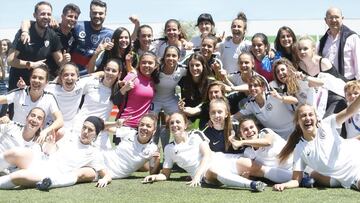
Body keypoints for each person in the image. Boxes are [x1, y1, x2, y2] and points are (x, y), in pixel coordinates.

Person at [142, 112, 266, 192]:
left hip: (220, 159)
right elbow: (166, 174)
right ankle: (252, 185)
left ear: (185, 125)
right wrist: (154, 176)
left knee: (251, 164)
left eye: (178, 122)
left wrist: (195, 176)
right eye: (172, 123)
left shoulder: (196, 134)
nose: (174, 125)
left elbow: (207, 155)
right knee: (213, 171)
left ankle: (283, 178)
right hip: (205, 174)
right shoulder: (169, 148)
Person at [273, 95, 360, 191]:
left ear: (316, 117)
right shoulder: (299, 149)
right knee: (314, 174)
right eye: (303, 116)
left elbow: (350, 111)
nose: (307, 118)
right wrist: (284, 185)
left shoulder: (327, 124)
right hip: (351, 177)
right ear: (297, 121)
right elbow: (296, 180)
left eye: (310, 114)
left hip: (356, 153)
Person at [0, 116, 111, 190]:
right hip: (42, 160)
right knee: (14, 153)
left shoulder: (93, 153)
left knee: (19, 176)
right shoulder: (70, 135)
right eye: (84, 127)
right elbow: (51, 151)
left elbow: (106, 174)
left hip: (50, 173)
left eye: (90, 130)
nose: (85, 132)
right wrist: (50, 144)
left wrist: (105, 179)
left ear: (96, 134)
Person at [7, 1, 64, 92]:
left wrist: (64, 60)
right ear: (34, 15)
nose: (46, 17)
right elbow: (10, 60)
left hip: (37, 86)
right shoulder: (25, 33)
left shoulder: (52, 35)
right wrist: (31, 64)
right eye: (42, 14)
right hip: (18, 84)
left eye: (49, 14)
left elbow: (60, 62)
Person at [0, 66, 63, 144]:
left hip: (34, 138)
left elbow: (60, 120)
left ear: (46, 82)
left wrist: (46, 131)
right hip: (15, 135)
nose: (36, 80)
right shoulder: (19, 93)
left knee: (61, 132)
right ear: (30, 79)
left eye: (40, 78)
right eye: (34, 77)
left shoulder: (49, 98)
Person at [20, 3, 81, 79]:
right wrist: (25, 31)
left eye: (76, 17)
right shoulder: (51, 29)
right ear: (62, 17)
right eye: (70, 16)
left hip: (58, 77)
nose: (73, 19)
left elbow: (61, 62)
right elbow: (27, 21)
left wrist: (65, 60)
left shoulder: (74, 36)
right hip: (39, 75)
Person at [72, 58, 123, 148]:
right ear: (104, 70)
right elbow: (72, 88)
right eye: (108, 69)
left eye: (114, 71)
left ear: (119, 74)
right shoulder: (92, 82)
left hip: (99, 135)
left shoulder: (119, 91)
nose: (110, 73)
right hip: (79, 128)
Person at [229, 116, 293, 183]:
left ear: (257, 129)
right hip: (282, 176)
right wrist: (247, 176)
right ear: (241, 135)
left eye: (251, 127)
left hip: (296, 169)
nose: (249, 131)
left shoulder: (266, 132)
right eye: (245, 130)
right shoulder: (248, 152)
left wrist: (242, 142)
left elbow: (268, 142)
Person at [296, 36, 347, 118]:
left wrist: (306, 78)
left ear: (313, 49)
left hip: (335, 98)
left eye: (305, 49)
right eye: (299, 49)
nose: (302, 51)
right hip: (316, 101)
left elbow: (331, 85)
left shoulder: (323, 63)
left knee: (325, 125)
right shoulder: (300, 66)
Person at [236, 75, 295, 140]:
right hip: (279, 138)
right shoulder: (250, 105)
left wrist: (281, 98)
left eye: (255, 85)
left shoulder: (273, 95)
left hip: (295, 130)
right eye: (250, 86)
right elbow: (236, 116)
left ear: (263, 87)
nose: (252, 88)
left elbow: (295, 100)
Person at [116, 51, 159, 129]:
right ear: (139, 64)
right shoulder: (132, 77)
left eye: (150, 63)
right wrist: (122, 86)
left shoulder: (153, 81)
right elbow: (116, 99)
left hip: (142, 127)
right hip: (125, 125)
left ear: (155, 65)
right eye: (143, 62)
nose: (146, 65)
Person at [71, 0, 113, 75]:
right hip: (73, 76)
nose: (97, 16)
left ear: (105, 14)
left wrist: (136, 25)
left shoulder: (110, 34)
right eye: (94, 13)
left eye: (100, 13)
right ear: (90, 13)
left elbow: (127, 41)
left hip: (93, 77)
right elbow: (62, 29)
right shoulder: (77, 26)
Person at [318, 7, 360, 81]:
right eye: (330, 17)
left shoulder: (352, 38)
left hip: (348, 84)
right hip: (328, 84)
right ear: (325, 20)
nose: (334, 20)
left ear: (342, 18)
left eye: (336, 17)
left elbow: (358, 63)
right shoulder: (322, 41)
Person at [219, 12, 251, 86]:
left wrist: (271, 50)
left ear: (244, 30)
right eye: (234, 26)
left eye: (239, 26)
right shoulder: (223, 44)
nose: (236, 28)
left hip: (242, 84)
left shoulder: (249, 45)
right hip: (226, 82)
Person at [0, 39, 12, 116]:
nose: (2, 46)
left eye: (4, 45)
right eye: (1, 45)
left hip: (9, 83)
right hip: (2, 83)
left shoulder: (10, 58)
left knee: (5, 105)